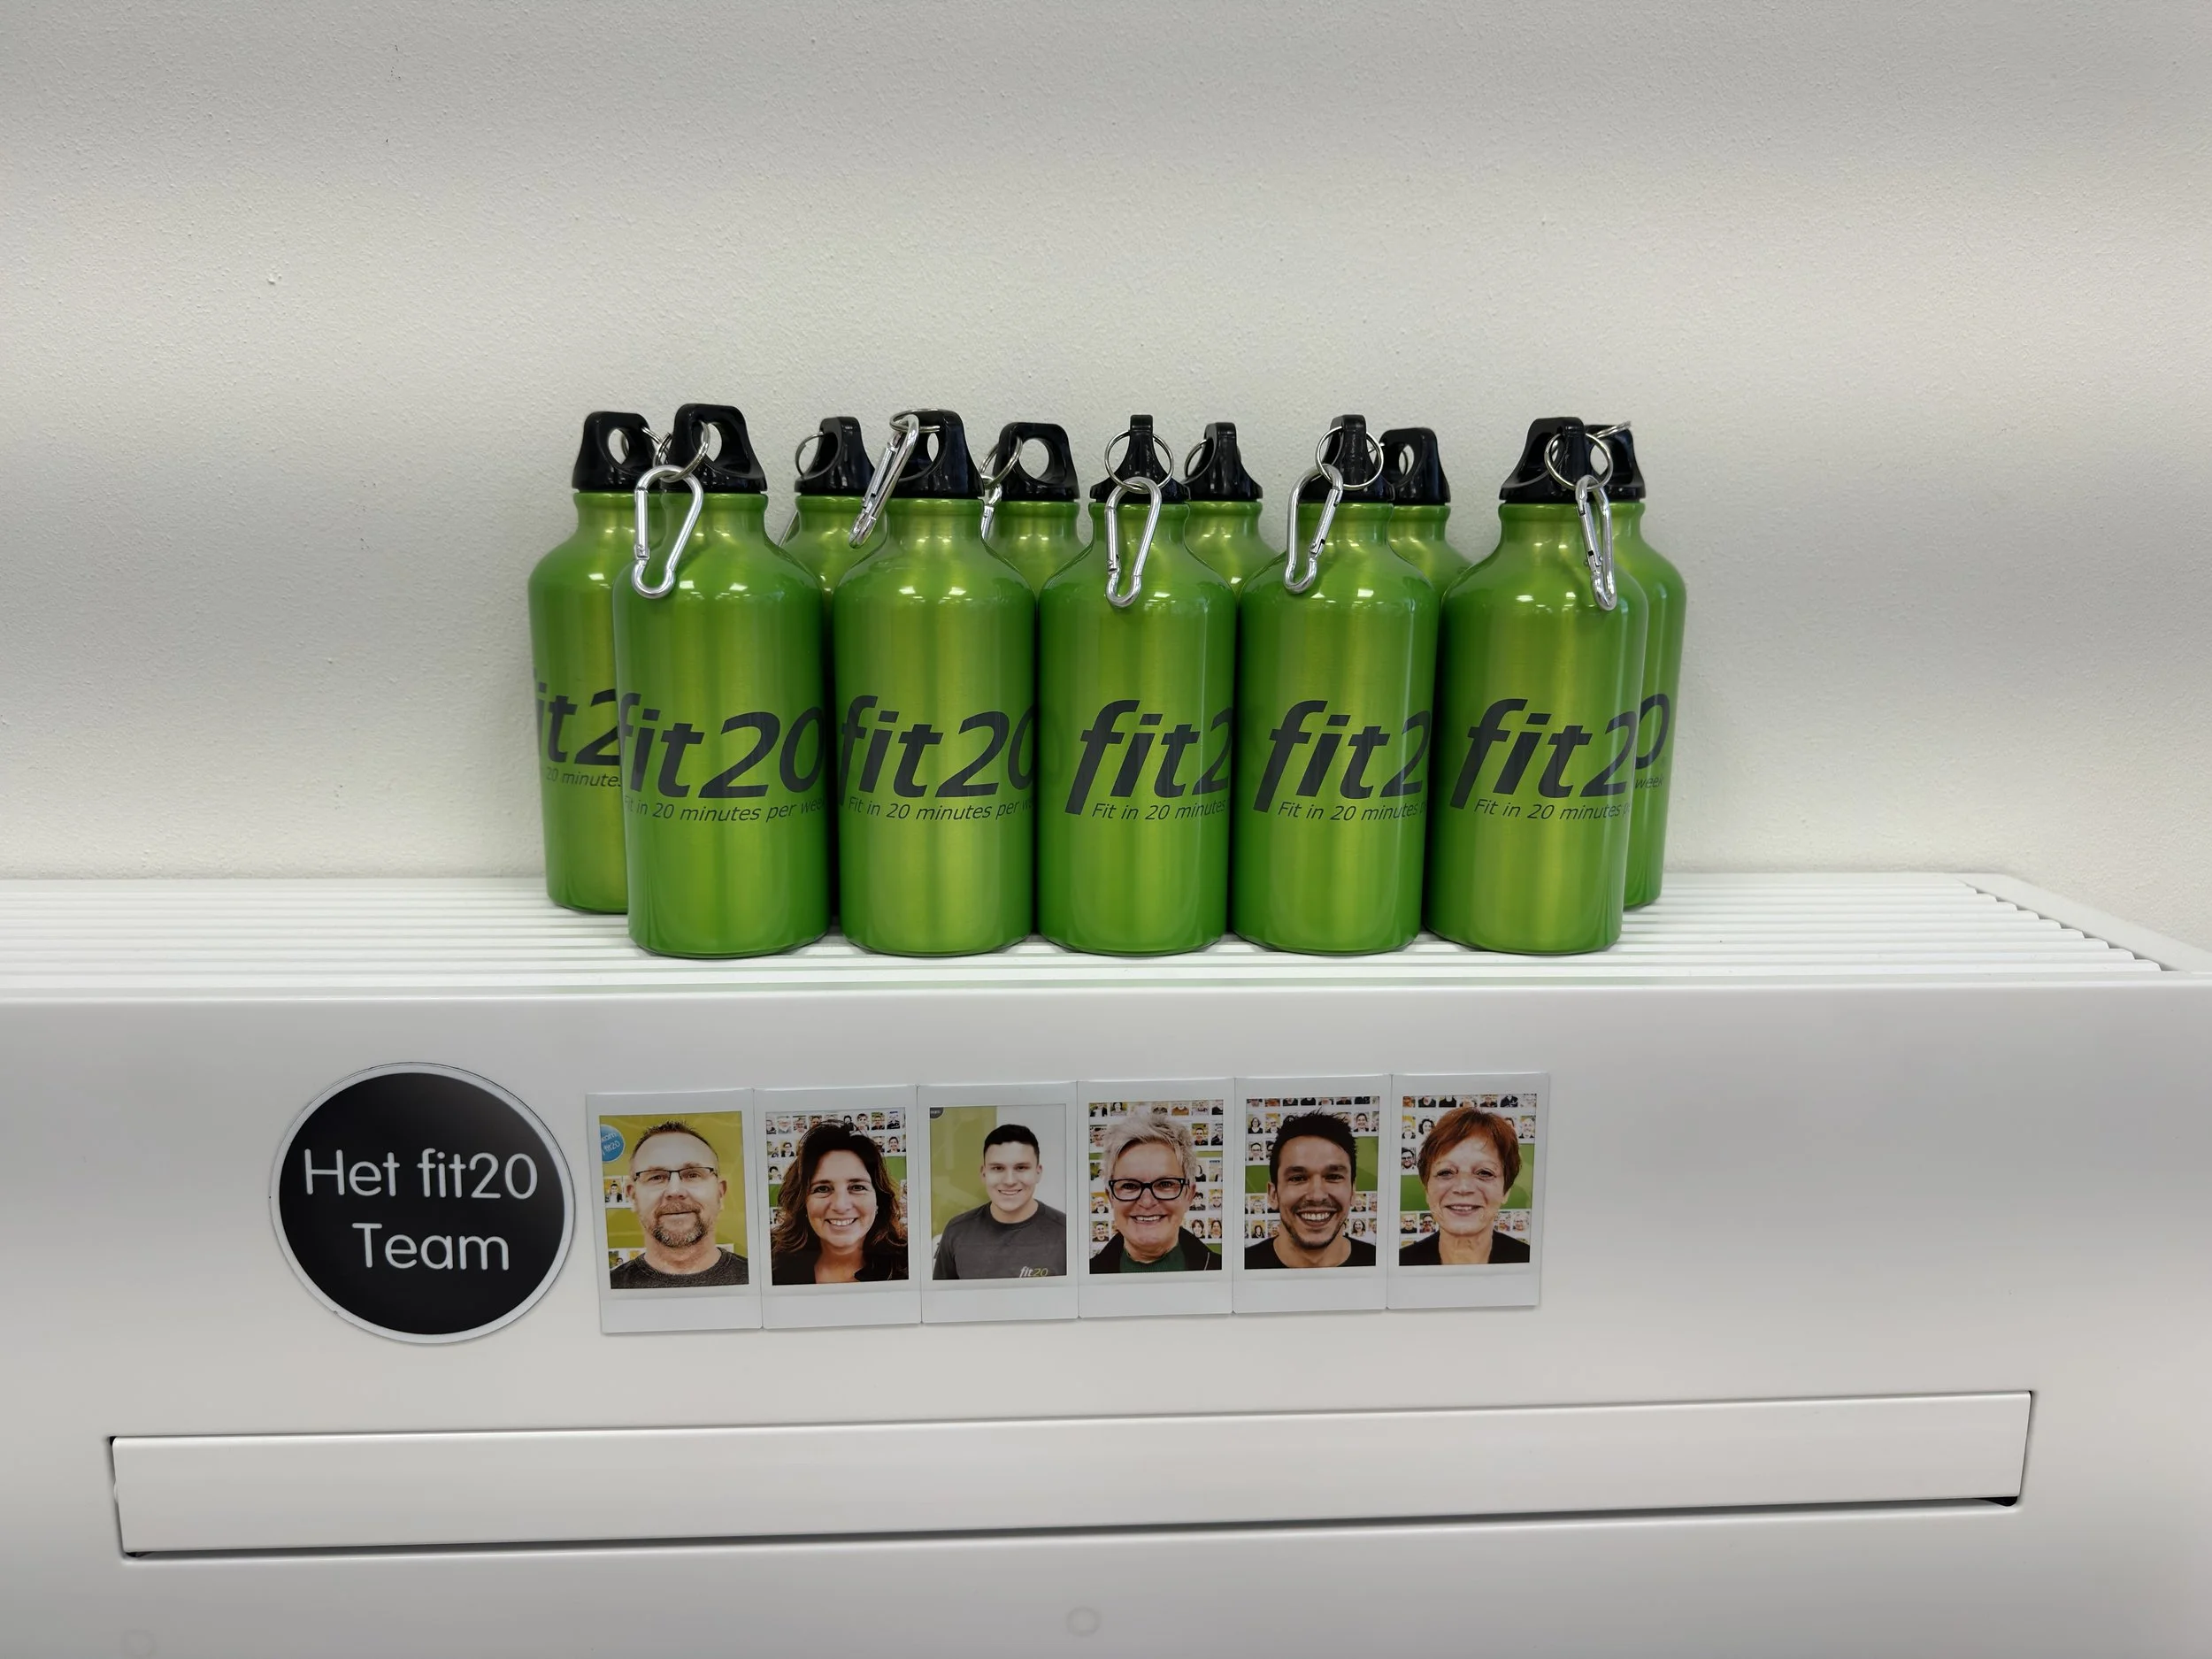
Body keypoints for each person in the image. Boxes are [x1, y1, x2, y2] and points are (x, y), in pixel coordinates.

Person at [609, 1121, 749, 1288]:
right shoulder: (605, 1288)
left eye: (693, 1175)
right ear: (633, 1197)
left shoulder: (759, 1278)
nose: (675, 1191)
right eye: (656, 1177)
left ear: (720, 1194)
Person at [771, 1121, 909, 1283]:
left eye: (857, 1187)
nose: (841, 1206)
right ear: (803, 1203)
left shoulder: (912, 1266)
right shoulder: (771, 1268)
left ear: (879, 1199)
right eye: (822, 1189)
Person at [933, 1122, 1067, 1279]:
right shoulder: (956, 1232)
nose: (1009, 1181)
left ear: (1038, 1173)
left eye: (1021, 1168)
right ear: (984, 1174)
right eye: (998, 1168)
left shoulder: (1067, 1232)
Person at [1088, 1113, 1220, 1271]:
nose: (1147, 1202)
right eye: (1129, 1186)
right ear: (1110, 1197)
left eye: (1165, 1184)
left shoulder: (1222, 1269)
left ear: (1189, 1195)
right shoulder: (1086, 1273)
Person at [1244, 1111, 1375, 1270]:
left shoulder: (1382, 1264)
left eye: (1333, 1177)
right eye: (1298, 1178)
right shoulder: (1240, 1268)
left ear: (1353, 1191)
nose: (1317, 1196)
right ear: (1273, 1195)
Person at [1401, 1106, 1530, 1264]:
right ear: (1426, 1188)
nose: (1463, 1188)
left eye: (1484, 1173)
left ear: (1506, 1189)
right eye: (1445, 1172)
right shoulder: (1400, 1262)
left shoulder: (1534, 1262)